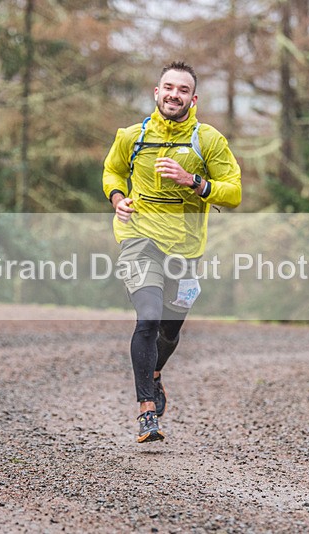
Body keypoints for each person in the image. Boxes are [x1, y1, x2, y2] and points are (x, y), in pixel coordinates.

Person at [102, 61, 242, 442]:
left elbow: (233, 192)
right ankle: (147, 411)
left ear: (192, 99)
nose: (173, 95)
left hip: (185, 249)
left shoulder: (207, 140)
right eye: (168, 87)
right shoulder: (133, 136)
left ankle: (156, 371)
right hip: (139, 239)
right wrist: (117, 197)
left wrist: (194, 182)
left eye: (182, 90)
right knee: (147, 319)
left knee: (170, 330)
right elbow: (112, 170)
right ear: (156, 92)